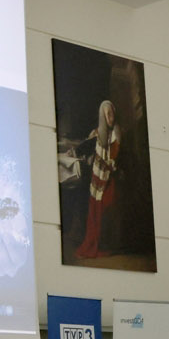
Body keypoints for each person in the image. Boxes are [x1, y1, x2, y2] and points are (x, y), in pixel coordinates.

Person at [75, 98, 120, 259]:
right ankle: (94, 242)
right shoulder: (96, 133)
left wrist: (106, 164)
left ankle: (105, 244)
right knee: (94, 209)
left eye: (112, 114)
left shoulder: (116, 134)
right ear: (102, 116)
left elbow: (114, 159)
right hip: (96, 179)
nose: (110, 118)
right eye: (107, 114)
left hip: (110, 178)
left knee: (107, 208)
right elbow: (84, 149)